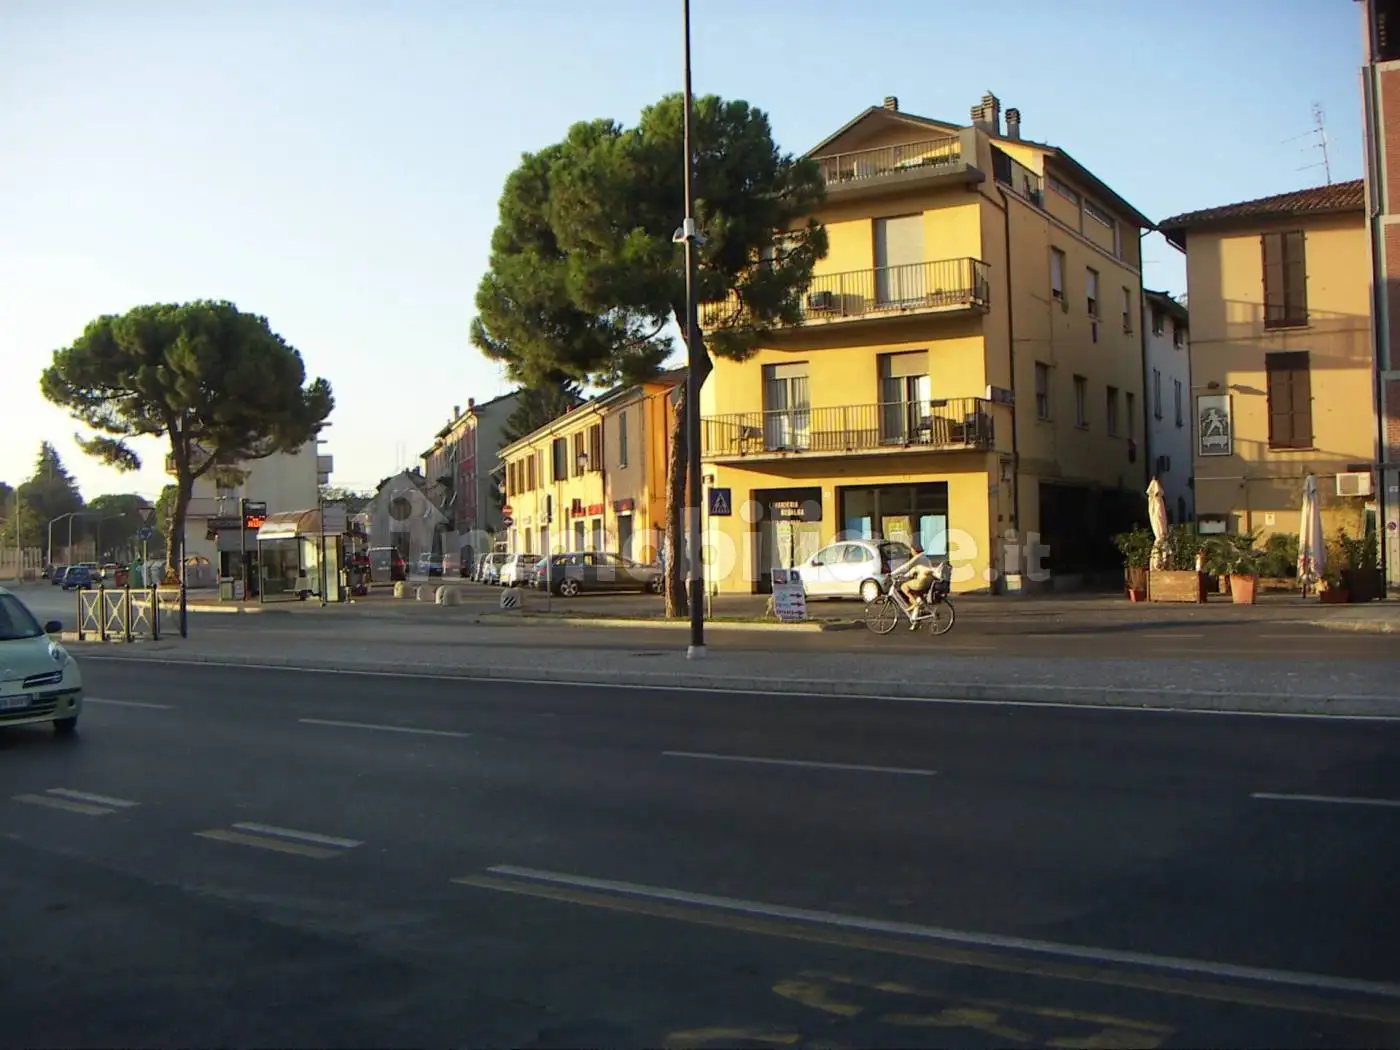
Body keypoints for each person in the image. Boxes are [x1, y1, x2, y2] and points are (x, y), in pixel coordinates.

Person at [891, 543, 937, 610]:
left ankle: (915, 604)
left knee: (904, 587)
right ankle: (919, 610)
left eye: (911, 549)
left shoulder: (917, 558)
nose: (911, 551)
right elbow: (913, 570)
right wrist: (905, 575)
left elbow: (906, 567)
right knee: (914, 594)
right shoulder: (924, 557)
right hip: (929, 580)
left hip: (923, 581)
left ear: (915, 550)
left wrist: (892, 573)